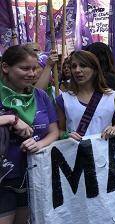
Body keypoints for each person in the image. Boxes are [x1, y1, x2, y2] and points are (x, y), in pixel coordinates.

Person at [0, 45, 59, 224]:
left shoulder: (41, 95)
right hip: (2, 181)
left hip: (32, 178)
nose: (32, 74)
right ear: (5, 68)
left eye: (34, 69)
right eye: (25, 68)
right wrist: (11, 119)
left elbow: (54, 131)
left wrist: (39, 144)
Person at [56, 50, 115, 141]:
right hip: (76, 153)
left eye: (83, 65)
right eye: (74, 66)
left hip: (105, 152)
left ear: (94, 69)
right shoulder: (63, 100)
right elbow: (58, 130)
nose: (77, 70)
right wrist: (66, 135)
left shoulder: (111, 96)